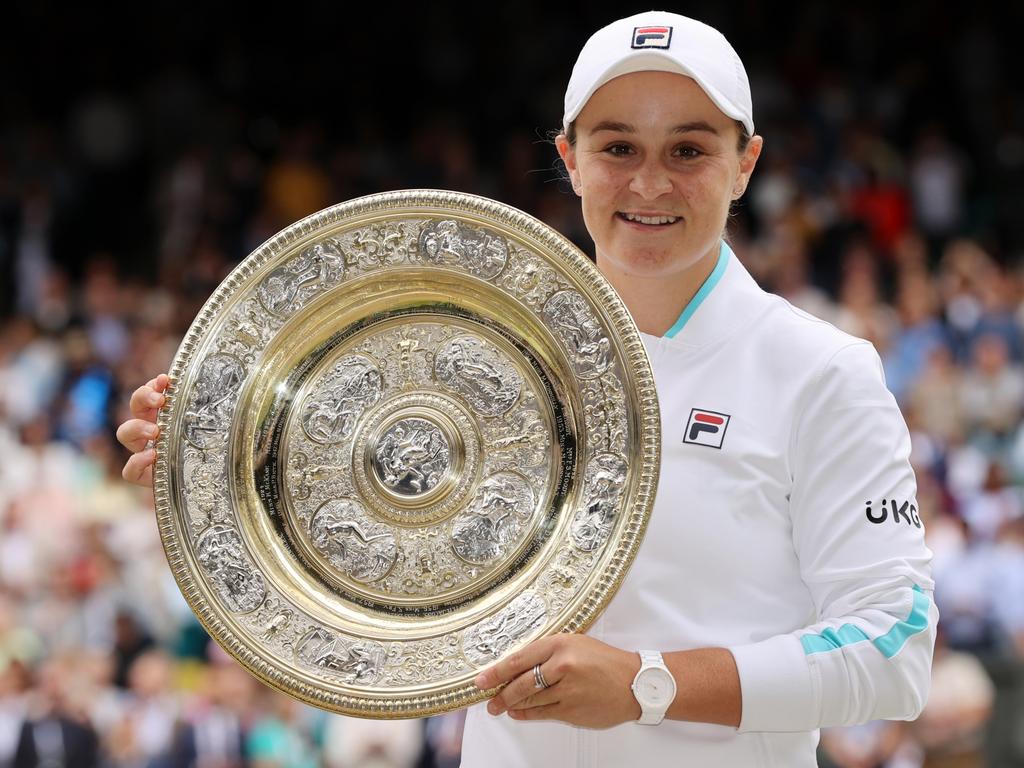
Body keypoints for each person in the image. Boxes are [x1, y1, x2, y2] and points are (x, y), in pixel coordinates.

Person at [117, 11, 937, 766]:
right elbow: (374, 533)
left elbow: (893, 647)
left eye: (688, 150)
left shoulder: (820, 372)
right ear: (570, 159)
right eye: (618, 148)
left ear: (745, 164)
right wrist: (214, 463)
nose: (650, 185)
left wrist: (647, 685)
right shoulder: (472, 347)